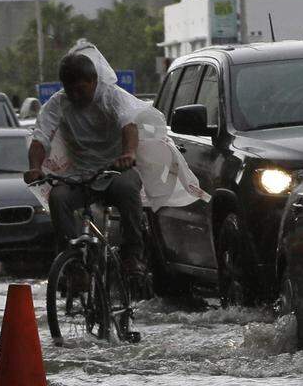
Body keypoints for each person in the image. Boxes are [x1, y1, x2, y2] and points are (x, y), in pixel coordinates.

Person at [26, 40, 207, 275]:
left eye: (81, 89)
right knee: (58, 198)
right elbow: (40, 139)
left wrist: (129, 154)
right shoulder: (57, 104)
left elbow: (128, 126)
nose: (76, 96)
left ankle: (132, 256)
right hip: (80, 175)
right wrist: (34, 168)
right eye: (70, 91)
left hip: (115, 170)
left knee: (126, 189)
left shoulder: (111, 97)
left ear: (93, 82)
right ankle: (73, 266)